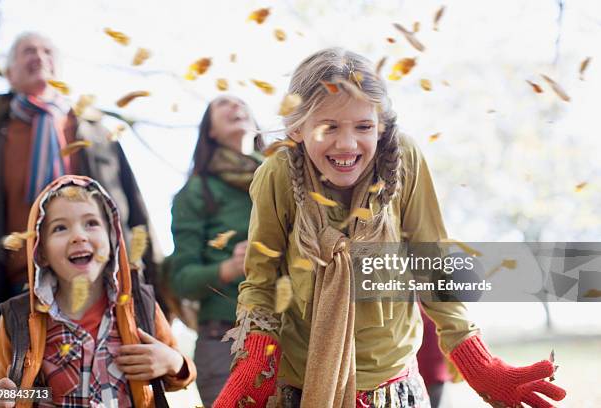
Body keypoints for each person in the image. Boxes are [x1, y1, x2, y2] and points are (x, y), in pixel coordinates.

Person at [213, 48, 567, 407]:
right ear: (297, 128)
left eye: (364, 127)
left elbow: (432, 265)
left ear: (381, 125)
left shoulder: (405, 160)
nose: (347, 144)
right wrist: (256, 363)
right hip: (301, 387)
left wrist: (478, 362)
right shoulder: (277, 175)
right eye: (328, 127)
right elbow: (262, 284)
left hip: (393, 388)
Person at [0, 32, 162, 359]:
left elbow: (134, 204)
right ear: (9, 72)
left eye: (47, 50)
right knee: (30, 385)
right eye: (27, 51)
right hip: (17, 286)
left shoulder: (94, 129)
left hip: (99, 284)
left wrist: (153, 274)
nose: (39, 57)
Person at [0, 175, 195, 407]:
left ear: (112, 238)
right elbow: (12, 393)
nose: (79, 236)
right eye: (60, 228)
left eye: (91, 223)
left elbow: (179, 376)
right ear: (41, 252)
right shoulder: (19, 318)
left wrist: (172, 362)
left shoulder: (140, 304)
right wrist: (6, 398)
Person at [169, 95, 263, 406]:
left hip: (291, 339)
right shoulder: (197, 192)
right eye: (223, 104)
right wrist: (231, 267)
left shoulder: (285, 182)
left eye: (242, 102)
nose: (237, 106)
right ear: (209, 130)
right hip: (225, 343)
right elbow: (182, 280)